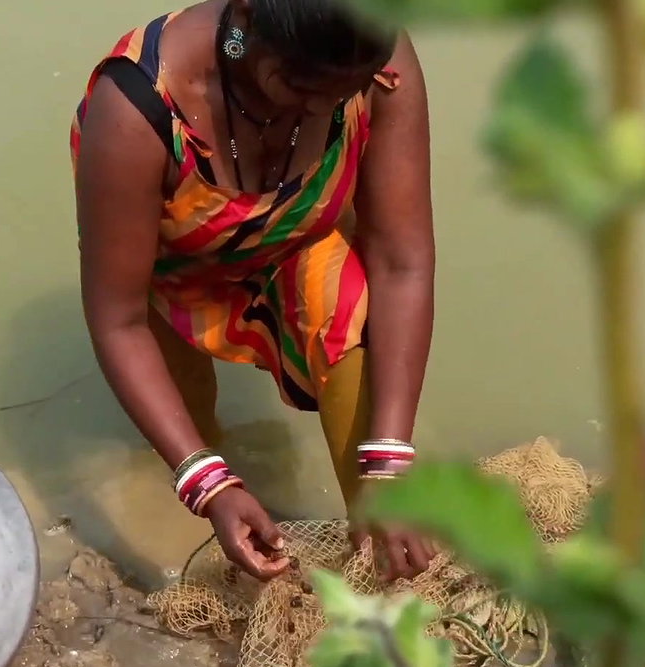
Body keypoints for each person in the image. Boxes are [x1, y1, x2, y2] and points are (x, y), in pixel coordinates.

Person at [70, 0, 439, 583]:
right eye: (297, 85)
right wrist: (209, 484)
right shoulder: (138, 109)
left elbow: (401, 262)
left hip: (299, 236)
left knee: (354, 334)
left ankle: (376, 562)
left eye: (340, 94)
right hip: (173, 270)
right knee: (191, 428)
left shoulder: (371, 58)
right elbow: (119, 321)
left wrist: (390, 459)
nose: (320, 109)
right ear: (245, 15)